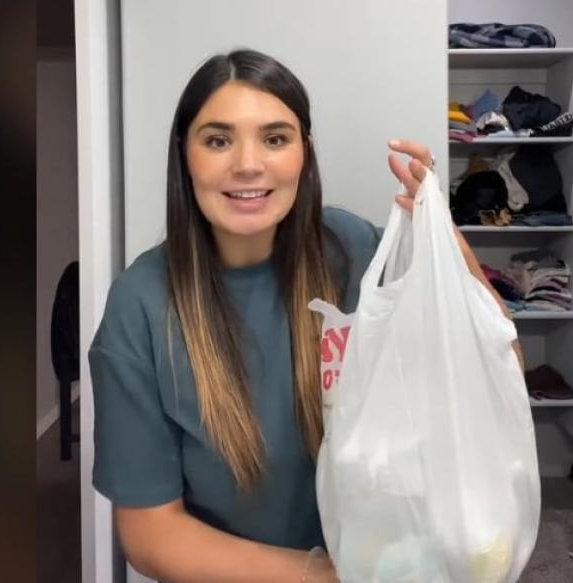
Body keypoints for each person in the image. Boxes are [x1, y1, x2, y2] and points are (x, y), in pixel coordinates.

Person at [89, 48, 523, 583]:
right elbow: (151, 534)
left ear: (304, 153)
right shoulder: (140, 306)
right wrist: (328, 577)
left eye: (275, 138)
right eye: (218, 140)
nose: (248, 164)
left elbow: (498, 378)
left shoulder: (354, 251)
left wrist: (443, 239)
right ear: (185, 155)